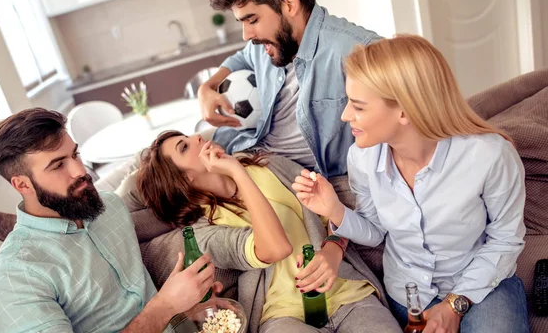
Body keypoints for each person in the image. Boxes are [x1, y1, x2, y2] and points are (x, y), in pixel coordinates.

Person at [292, 35, 530, 333]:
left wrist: (455, 304)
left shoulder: (489, 155)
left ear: (404, 110)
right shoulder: (362, 158)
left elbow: (506, 240)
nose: (345, 115)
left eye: (358, 106)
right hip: (409, 293)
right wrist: (334, 209)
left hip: (483, 285)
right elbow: (376, 231)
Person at [136, 130, 402, 333]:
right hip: (283, 315)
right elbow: (276, 249)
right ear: (183, 179)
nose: (197, 137)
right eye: (185, 146)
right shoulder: (205, 229)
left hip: (346, 292)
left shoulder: (269, 166)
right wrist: (236, 172)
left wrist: (334, 247)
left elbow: (331, 211)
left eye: (188, 135)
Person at [0, 108, 220, 333]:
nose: (80, 170)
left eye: (75, 154)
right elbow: (159, 308)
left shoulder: (109, 207)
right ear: (22, 184)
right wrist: (167, 304)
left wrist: (188, 306)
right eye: (58, 165)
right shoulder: (14, 277)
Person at [198, 0, 380, 178]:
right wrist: (207, 87)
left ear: (289, 5)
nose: (246, 35)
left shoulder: (358, 51)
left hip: (288, 177)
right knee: (147, 168)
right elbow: (243, 58)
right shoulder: (268, 43)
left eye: (252, 20)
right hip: (246, 148)